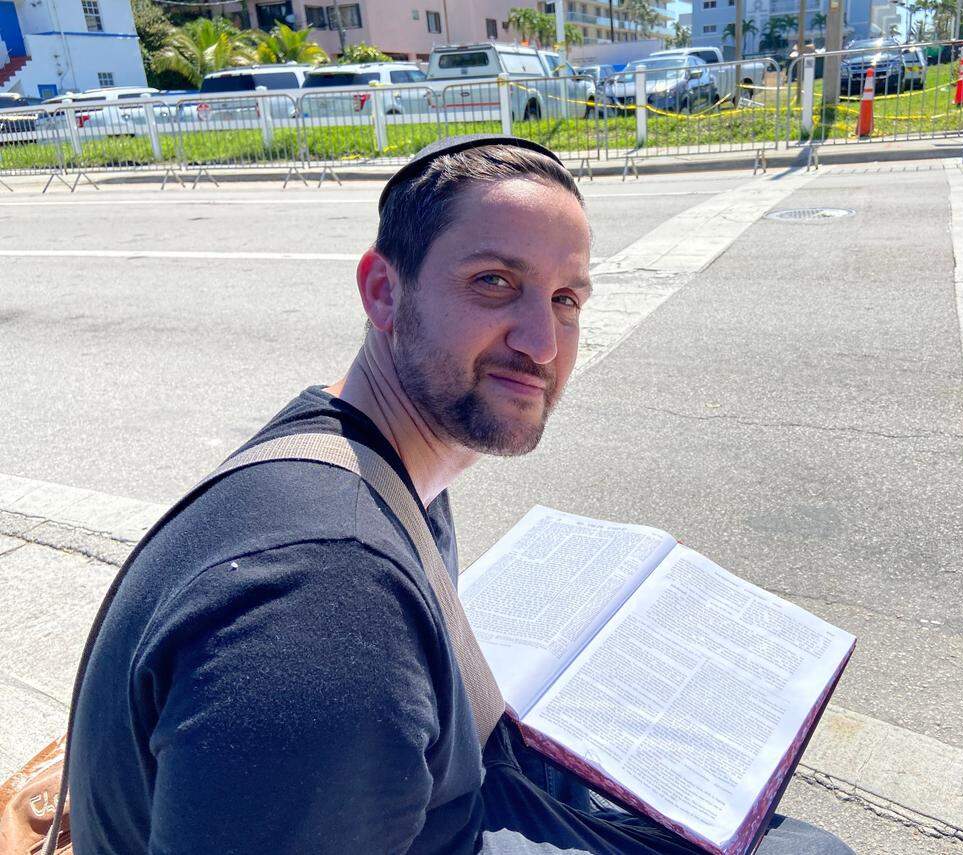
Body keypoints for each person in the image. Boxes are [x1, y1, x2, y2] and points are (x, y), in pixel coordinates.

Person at [67, 135, 853, 854]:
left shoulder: (367, 459)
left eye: (564, 300)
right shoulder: (323, 605)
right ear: (383, 291)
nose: (541, 342)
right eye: (493, 282)